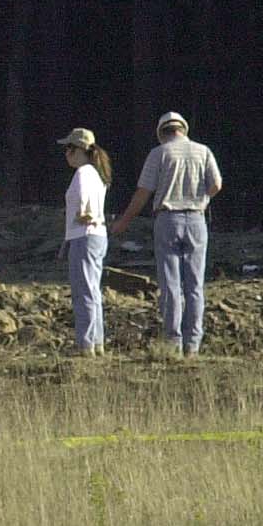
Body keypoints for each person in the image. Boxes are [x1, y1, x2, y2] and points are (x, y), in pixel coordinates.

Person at [109, 111, 223, 356]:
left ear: (162, 133)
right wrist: (199, 197)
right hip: (196, 219)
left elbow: (143, 191)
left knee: (171, 283)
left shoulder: (159, 153)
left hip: (167, 218)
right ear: (183, 129)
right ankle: (193, 343)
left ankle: (173, 340)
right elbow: (216, 185)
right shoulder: (203, 151)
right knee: (194, 284)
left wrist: (124, 221)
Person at [57, 128, 111, 355]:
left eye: (69, 148)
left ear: (80, 150)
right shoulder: (97, 173)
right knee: (92, 290)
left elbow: (83, 203)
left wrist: (82, 213)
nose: (66, 153)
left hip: (84, 236)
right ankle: (95, 342)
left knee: (83, 291)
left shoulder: (83, 173)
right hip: (96, 236)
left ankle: (86, 344)